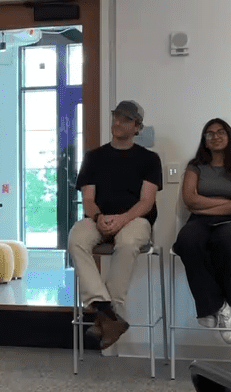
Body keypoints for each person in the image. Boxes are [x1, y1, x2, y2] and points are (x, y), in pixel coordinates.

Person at [68, 100, 163, 349]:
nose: (118, 122)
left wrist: (122, 219)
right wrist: (99, 218)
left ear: (137, 127)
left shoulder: (150, 159)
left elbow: (146, 201)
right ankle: (106, 310)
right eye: (116, 117)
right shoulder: (94, 157)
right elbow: (88, 199)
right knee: (77, 238)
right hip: (100, 217)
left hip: (135, 220)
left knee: (128, 241)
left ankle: (106, 316)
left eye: (126, 119)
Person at [171, 119, 231, 344]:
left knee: (227, 243)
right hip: (199, 221)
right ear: (204, 140)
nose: (215, 137)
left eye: (220, 132)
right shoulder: (194, 166)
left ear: (229, 137)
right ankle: (222, 306)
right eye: (209, 134)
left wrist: (207, 204)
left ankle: (208, 307)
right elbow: (189, 200)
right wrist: (222, 202)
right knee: (187, 241)